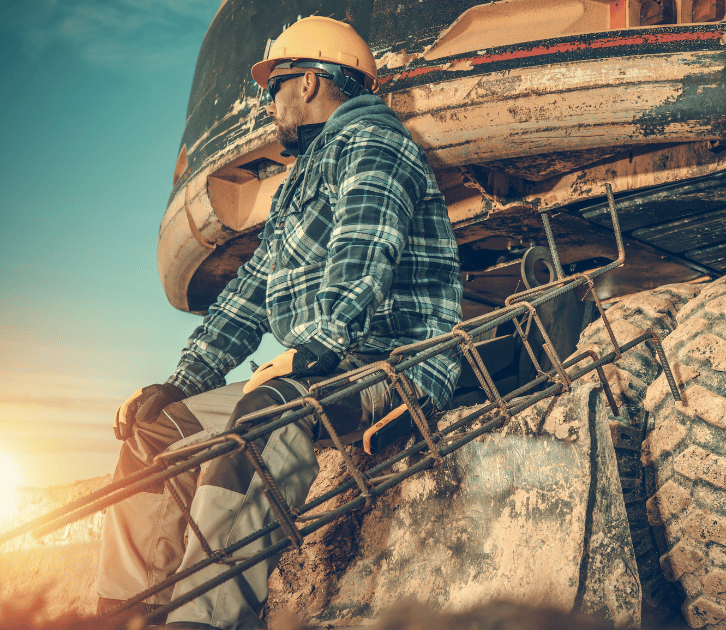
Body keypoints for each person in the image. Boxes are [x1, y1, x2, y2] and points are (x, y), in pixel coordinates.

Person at [95, 16, 462, 630]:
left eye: (275, 87)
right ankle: (128, 616)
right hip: (322, 363)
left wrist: (319, 343)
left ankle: (206, 620)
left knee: (268, 413)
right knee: (156, 430)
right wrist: (182, 382)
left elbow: (364, 250)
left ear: (310, 83)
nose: (270, 105)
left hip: (390, 362)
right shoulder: (302, 181)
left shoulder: (374, 143)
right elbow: (249, 294)